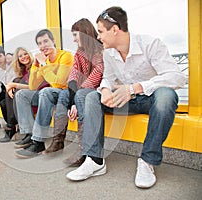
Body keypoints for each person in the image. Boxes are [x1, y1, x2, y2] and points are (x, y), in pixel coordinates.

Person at [66, 7, 186, 189]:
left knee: (167, 96)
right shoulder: (108, 53)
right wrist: (105, 90)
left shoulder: (151, 44)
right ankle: (95, 160)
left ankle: (147, 161)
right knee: (88, 96)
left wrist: (135, 88)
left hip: (148, 99)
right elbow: (107, 78)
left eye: (100, 32)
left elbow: (177, 77)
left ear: (114, 30)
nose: (98, 37)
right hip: (122, 100)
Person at [42, 18, 104, 167]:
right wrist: (71, 103)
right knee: (64, 94)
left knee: (82, 96)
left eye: (76, 35)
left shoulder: (101, 51)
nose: (74, 40)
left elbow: (94, 80)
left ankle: (83, 150)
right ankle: (58, 140)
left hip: (97, 92)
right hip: (82, 91)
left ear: (84, 33)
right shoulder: (79, 53)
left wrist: (75, 102)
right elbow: (73, 76)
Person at [15, 29, 74, 158]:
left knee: (45, 91)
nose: (43, 46)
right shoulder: (44, 61)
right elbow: (32, 86)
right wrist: (36, 66)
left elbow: (59, 83)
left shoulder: (65, 56)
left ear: (53, 41)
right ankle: (30, 135)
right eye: (40, 43)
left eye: (46, 41)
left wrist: (42, 64)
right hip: (51, 94)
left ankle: (38, 141)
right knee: (22, 95)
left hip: (65, 93)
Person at [0, 47, 34, 142]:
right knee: (12, 87)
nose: (23, 57)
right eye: (20, 56)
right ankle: (11, 126)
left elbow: (33, 86)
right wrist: (10, 87)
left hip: (37, 94)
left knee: (15, 82)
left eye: (25, 54)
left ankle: (11, 127)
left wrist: (13, 85)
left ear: (29, 54)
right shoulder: (22, 70)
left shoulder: (35, 65)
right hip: (25, 95)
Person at [0, 45, 17, 141]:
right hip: (8, 90)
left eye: (0, 56)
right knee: (2, 102)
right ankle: (11, 125)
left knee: (8, 92)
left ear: (4, 55)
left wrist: (12, 56)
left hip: (20, 86)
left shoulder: (12, 61)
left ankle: (10, 128)